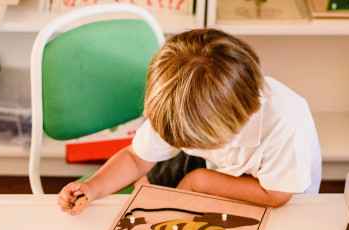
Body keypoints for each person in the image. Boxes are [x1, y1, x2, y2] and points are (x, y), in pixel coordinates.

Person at [58, 29, 321, 214]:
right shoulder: (182, 108)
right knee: (149, 189)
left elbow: (276, 196)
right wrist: (93, 187)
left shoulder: (286, 123)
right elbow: (136, 159)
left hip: (277, 194)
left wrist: (200, 182)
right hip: (223, 168)